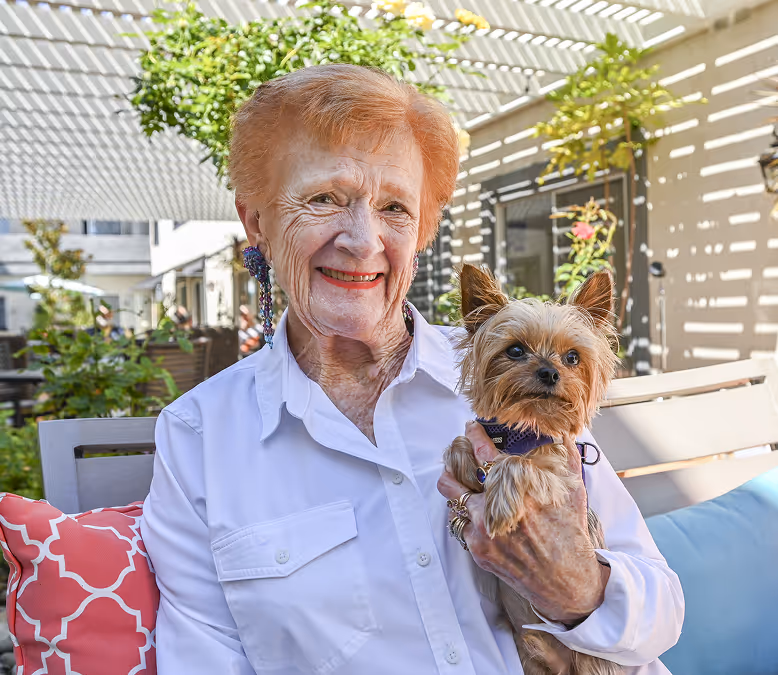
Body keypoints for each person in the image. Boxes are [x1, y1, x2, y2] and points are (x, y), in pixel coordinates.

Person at [141, 65, 683, 675]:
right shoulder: (199, 436)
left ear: (422, 230)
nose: (362, 239)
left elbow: (660, 613)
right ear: (257, 222)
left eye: (395, 207)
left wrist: (578, 587)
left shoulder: (516, 386)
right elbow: (203, 657)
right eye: (323, 198)